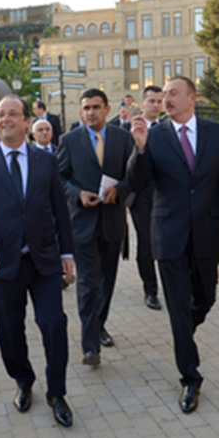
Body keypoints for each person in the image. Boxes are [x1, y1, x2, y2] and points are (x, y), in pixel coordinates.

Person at [127, 75, 219, 413]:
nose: (166, 99)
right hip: (168, 234)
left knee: (206, 298)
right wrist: (139, 149)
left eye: (174, 94)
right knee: (178, 306)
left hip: (207, 233)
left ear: (192, 98)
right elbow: (136, 183)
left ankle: (183, 331)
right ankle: (190, 378)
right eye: (164, 94)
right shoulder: (154, 136)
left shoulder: (218, 134)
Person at [0, 95, 75, 427]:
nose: (6, 119)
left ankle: (57, 392)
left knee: (54, 324)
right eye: (1, 115)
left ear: (27, 121)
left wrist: (67, 252)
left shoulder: (46, 161)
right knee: (10, 331)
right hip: (1, 263)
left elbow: (60, 209)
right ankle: (23, 381)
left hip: (44, 261)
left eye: (13, 114)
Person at [58, 88, 135, 367]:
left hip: (112, 223)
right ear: (81, 112)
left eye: (95, 107)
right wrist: (77, 194)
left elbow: (134, 175)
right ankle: (90, 346)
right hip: (82, 224)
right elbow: (58, 178)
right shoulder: (69, 141)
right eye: (86, 108)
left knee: (106, 282)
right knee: (88, 284)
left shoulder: (123, 138)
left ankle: (99, 325)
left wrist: (119, 191)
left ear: (106, 109)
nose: (90, 112)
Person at [123, 85, 164, 310]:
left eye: (159, 101)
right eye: (151, 101)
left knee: (166, 241)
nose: (156, 105)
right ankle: (151, 290)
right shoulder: (129, 130)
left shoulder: (167, 129)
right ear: (142, 103)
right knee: (147, 242)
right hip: (141, 195)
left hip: (165, 193)